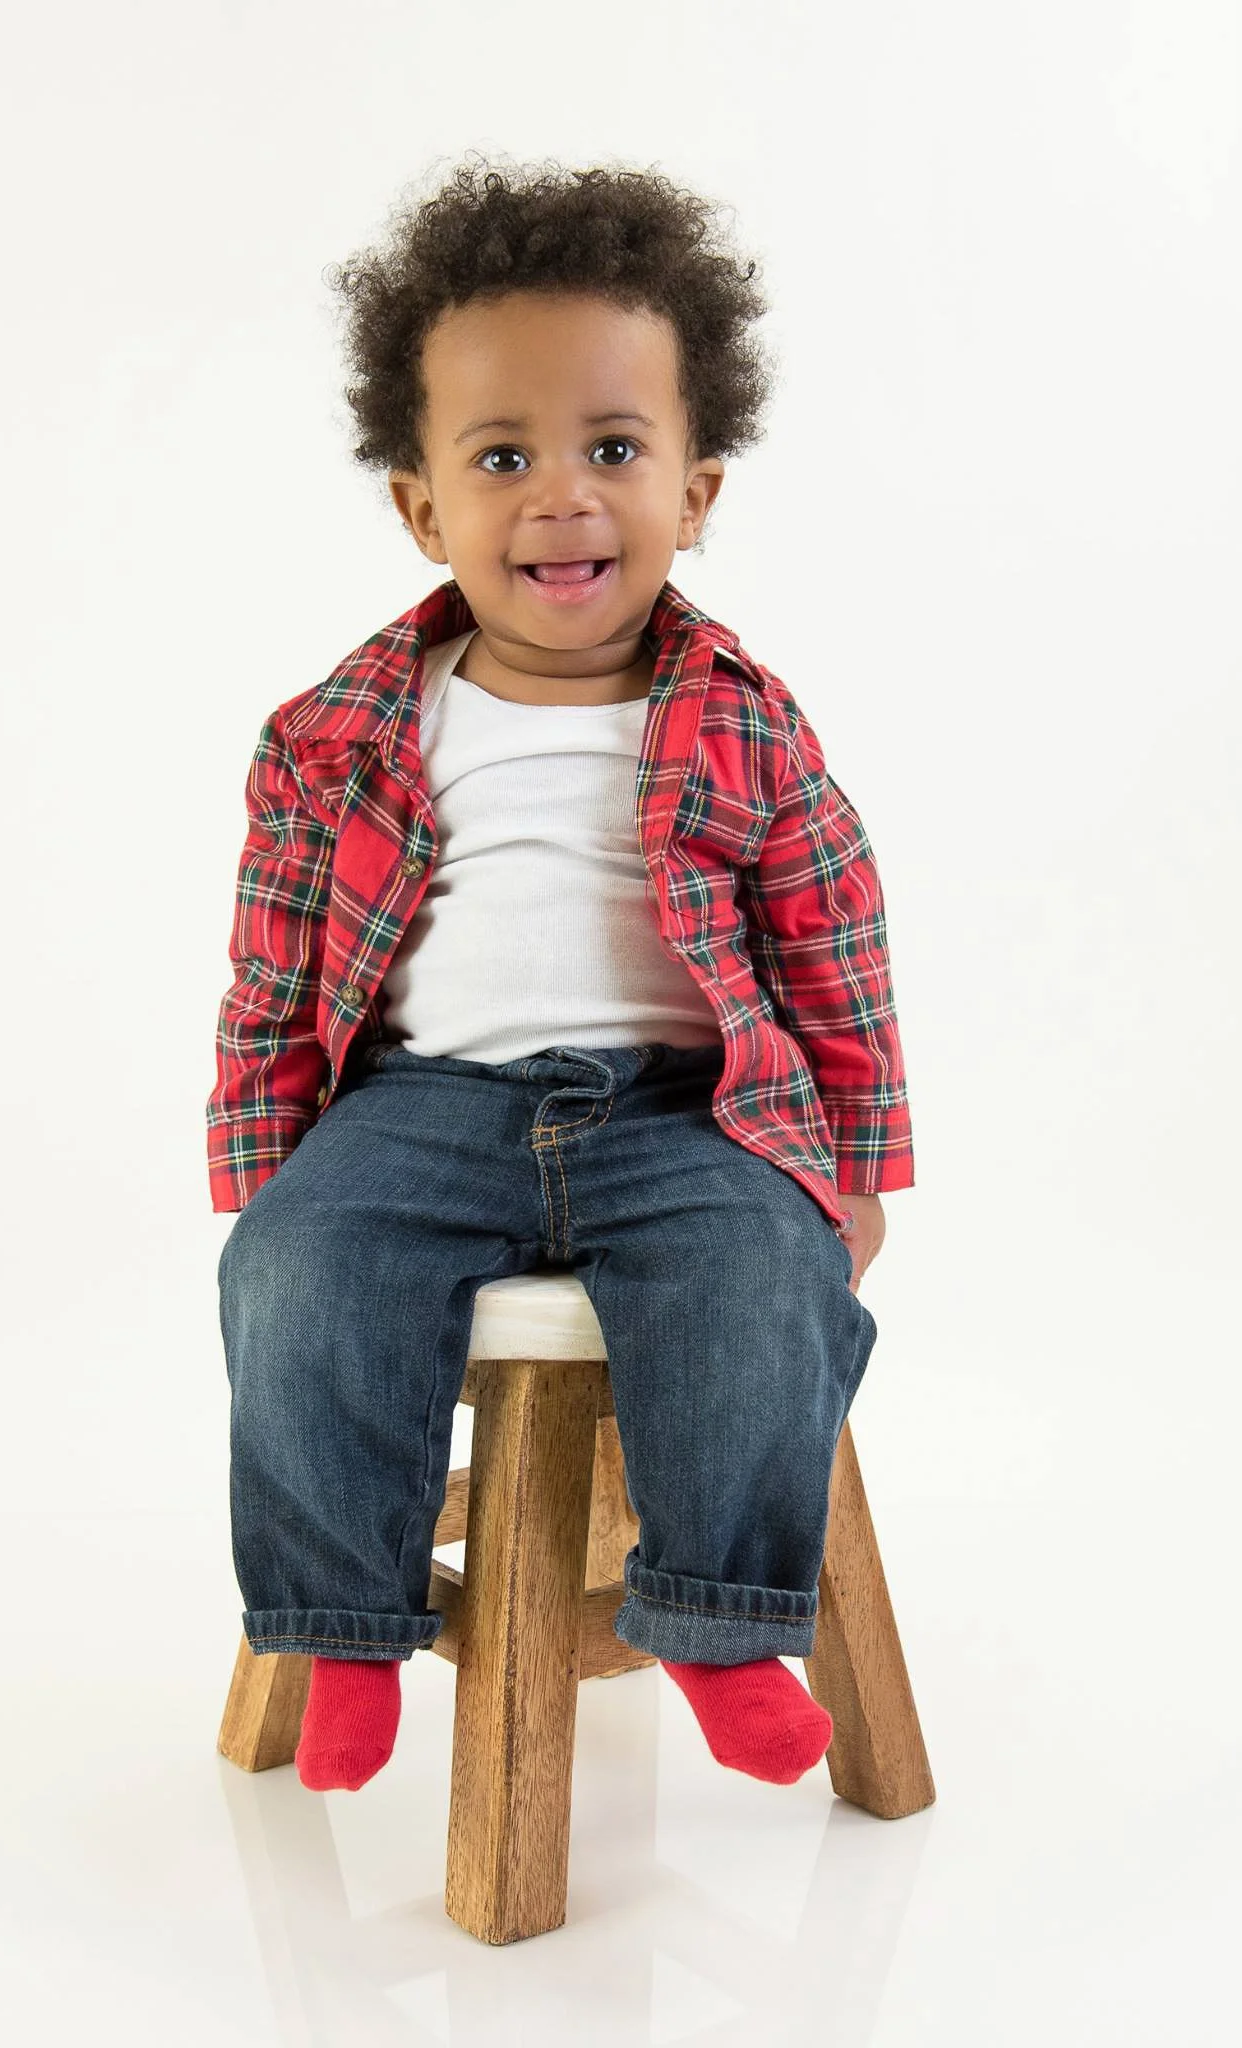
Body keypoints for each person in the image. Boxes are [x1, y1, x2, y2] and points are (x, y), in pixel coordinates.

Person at [208, 154, 915, 1795]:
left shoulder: (740, 716)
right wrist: (268, 1168)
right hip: (417, 1111)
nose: (562, 497)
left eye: (613, 450)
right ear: (420, 502)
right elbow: (270, 964)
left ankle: (724, 1622)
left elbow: (833, 942)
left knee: (764, 1295)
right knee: (293, 1294)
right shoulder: (343, 730)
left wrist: (856, 1168)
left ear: (697, 487)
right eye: (503, 456)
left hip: (685, 1114)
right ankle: (340, 1627)